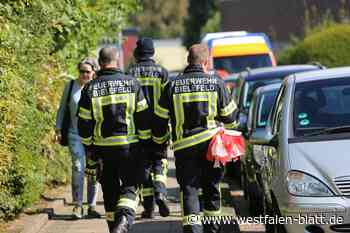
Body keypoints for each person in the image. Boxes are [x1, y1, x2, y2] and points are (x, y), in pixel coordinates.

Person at [152, 44, 237, 233]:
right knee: (212, 187)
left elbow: (159, 120)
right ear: (206, 62)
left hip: (185, 149)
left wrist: (160, 142)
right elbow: (231, 119)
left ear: (188, 61)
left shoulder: (172, 86)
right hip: (212, 148)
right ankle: (212, 229)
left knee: (189, 189)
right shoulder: (217, 83)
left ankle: (193, 229)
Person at [77, 46, 150, 233]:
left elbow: (84, 124)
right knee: (130, 187)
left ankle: (113, 228)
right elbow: (143, 118)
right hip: (129, 147)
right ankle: (124, 219)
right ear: (117, 60)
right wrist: (145, 144)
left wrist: (89, 147)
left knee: (109, 191)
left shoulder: (90, 88)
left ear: (100, 63)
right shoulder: (132, 83)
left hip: (102, 150)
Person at [127, 37, 170, 219]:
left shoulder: (129, 73)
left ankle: (149, 208)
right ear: (152, 52)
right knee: (159, 162)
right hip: (160, 127)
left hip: (138, 129)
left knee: (143, 166)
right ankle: (160, 192)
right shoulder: (162, 73)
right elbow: (169, 101)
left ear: (138, 53)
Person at [55, 57, 101, 219]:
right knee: (78, 167)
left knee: (93, 170)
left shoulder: (98, 87)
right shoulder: (70, 86)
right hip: (75, 135)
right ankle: (77, 206)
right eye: (81, 71)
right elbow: (62, 109)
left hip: (95, 136)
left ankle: (92, 206)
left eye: (87, 72)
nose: (84, 75)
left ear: (94, 72)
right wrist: (58, 128)